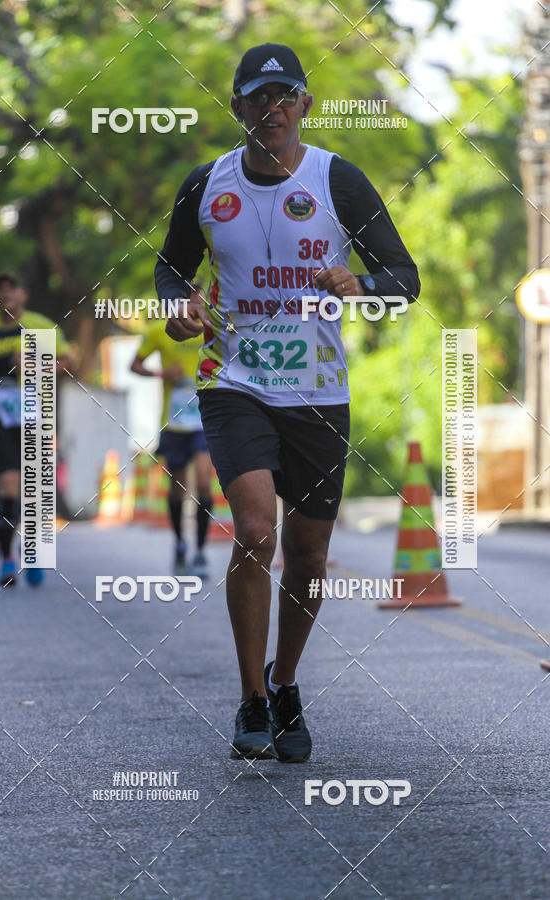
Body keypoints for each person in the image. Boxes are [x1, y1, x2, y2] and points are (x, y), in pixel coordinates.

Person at [159, 43, 420, 761]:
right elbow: (169, 268)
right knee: (255, 530)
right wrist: (178, 307)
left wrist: (363, 286)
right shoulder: (205, 185)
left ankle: (285, 684)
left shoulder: (338, 180)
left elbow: (405, 275)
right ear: (238, 107)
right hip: (233, 381)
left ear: (303, 104)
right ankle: (248, 698)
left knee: (308, 552)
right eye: (256, 98)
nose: (271, 109)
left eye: (284, 96)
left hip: (317, 391)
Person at [0, 273, 72, 587]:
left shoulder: (41, 326)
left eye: (11, 289)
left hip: (36, 419)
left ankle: (32, 550)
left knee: (33, 492)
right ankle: (8, 559)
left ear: (24, 294)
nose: (5, 295)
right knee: (8, 488)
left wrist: (35, 364)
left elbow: (68, 362)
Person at [130, 320, 213, 577]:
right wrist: (162, 375)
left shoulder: (213, 326)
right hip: (174, 422)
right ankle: (179, 544)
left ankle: (200, 552)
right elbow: (134, 365)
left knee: (203, 482)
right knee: (178, 490)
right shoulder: (159, 330)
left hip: (203, 421)